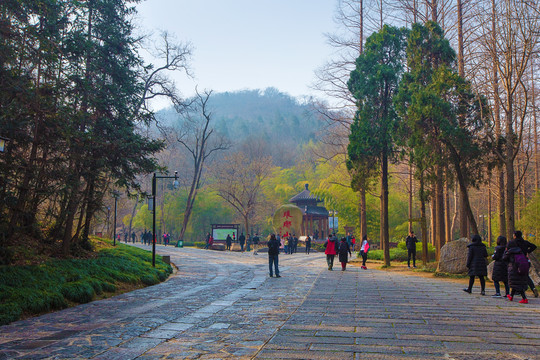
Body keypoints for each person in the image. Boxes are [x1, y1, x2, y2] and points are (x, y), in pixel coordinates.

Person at [513, 230, 538, 297]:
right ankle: (533, 288)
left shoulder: (514, 242)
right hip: (525, 261)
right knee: (526, 276)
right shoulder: (525, 242)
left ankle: (518, 291)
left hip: (517, 261)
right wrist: (527, 251)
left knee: (516, 276)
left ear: (515, 236)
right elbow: (534, 246)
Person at [504, 237, 529, 303]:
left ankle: (524, 298)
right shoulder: (520, 251)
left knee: (517, 285)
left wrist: (506, 251)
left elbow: (504, 258)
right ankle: (511, 296)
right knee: (516, 284)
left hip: (514, 270)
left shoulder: (510, 252)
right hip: (521, 269)